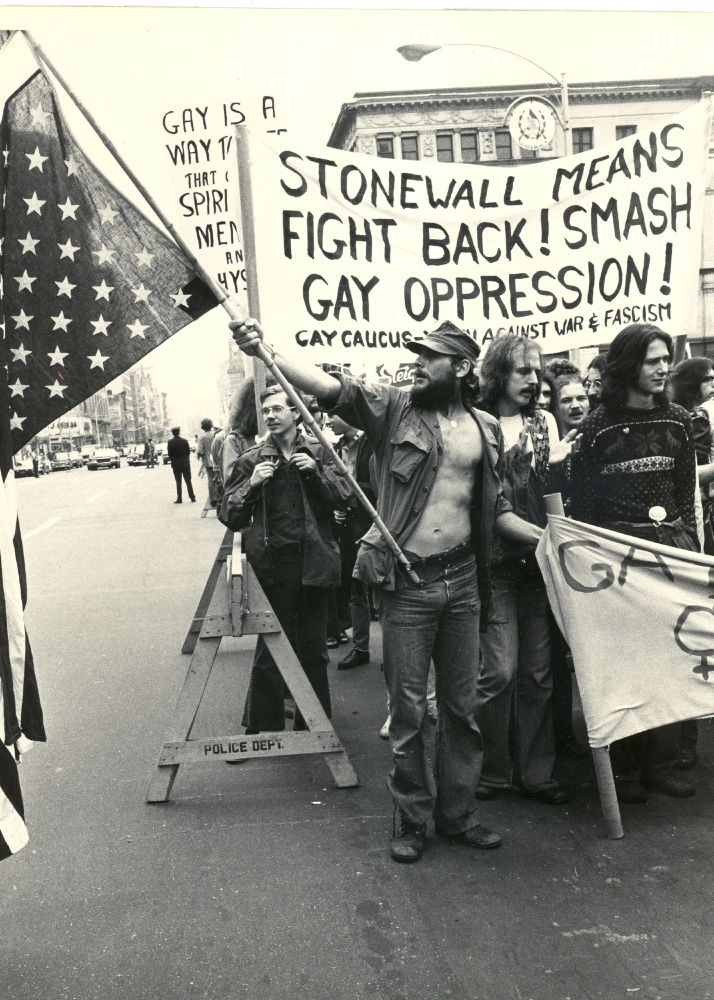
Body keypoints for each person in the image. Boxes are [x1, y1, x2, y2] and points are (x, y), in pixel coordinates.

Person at [229, 316, 543, 865]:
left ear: (463, 367)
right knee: (408, 714)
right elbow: (333, 388)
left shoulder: (486, 429)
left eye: (431, 357)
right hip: (409, 583)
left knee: (461, 710)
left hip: (465, 582)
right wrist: (269, 350)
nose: (419, 364)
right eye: (418, 355)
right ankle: (413, 819)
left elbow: (496, 509)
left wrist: (550, 542)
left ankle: (459, 814)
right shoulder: (395, 408)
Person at [570, 323, 697, 803]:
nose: (664, 367)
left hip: (669, 562)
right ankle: (623, 771)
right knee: (623, 666)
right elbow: (584, 511)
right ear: (627, 366)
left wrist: (682, 551)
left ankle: (660, 766)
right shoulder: (595, 429)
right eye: (652, 360)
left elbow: (684, 501)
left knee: (669, 662)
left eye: (666, 359)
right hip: (617, 568)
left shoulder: (681, 422)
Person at [475, 336, 573, 806]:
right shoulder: (476, 421)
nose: (533, 380)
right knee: (498, 672)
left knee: (538, 673)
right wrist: (546, 539)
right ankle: (492, 770)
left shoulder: (543, 421)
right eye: (522, 371)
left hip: (538, 566)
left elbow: (549, 490)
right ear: (497, 373)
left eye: (536, 371)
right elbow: (489, 506)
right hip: (495, 564)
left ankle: (536, 773)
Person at [219, 385, 348, 733]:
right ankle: (259, 727)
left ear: (295, 413)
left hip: (315, 564)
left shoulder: (320, 451)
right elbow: (228, 514)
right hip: (273, 567)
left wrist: (315, 472)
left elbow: (346, 498)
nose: (272, 416)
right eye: (267, 411)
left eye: (278, 409)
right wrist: (253, 485)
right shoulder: (252, 460)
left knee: (314, 650)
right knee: (270, 648)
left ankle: (316, 726)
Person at [328, 414, 376, 670]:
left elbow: (376, 486)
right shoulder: (338, 447)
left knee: (381, 591)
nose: (327, 421)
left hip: (372, 524)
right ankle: (361, 648)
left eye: (332, 415)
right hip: (348, 525)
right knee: (356, 589)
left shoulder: (372, 442)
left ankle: (392, 652)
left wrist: (349, 494)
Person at [166, 426, 196, 504]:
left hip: (176, 465)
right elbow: (188, 452)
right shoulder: (184, 441)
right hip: (185, 464)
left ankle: (179, 498)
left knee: (178, 482)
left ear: (173, 433)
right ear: (179, 432)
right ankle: (192, 497)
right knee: (188, 481)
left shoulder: (170, 442)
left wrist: (174, 460)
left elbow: (170, 454)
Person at [196, 418, 219, 507]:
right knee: (219, 478)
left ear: (202, 427)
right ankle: (220, 497)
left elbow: (200, 451)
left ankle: (213, 498)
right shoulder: (216, 434)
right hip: (217, 460)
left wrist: (200, 456)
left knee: (210, 479)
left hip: (208, 462)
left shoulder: (201, 437)